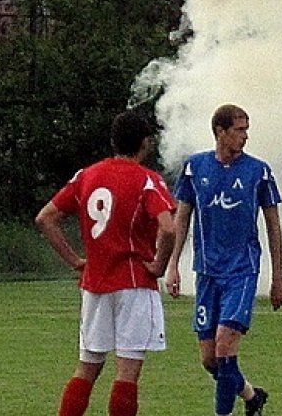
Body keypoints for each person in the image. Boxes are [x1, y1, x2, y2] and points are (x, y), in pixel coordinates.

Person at [35, 110, 176, 416]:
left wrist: (75, 260)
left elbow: (45, 218)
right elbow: (168, 227)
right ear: (145, 143)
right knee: (127, 373)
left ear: (114, 141)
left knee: (87, 367)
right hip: (134, 283)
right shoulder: (148, 180)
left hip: (95, 284)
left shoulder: (87, 175)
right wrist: (159, 266)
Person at [164, 104, 282, 416]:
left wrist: (278, 276)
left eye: (247, 129)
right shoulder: (195, 168)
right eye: (240, 129)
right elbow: (182, 217)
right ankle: (251, 396)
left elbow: (273, 223)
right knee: (209, 359)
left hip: (241, 271)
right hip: (207, 272)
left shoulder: (258, 171)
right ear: (221, 131)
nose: (245, 136)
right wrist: (173, 263)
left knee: (224, 346)